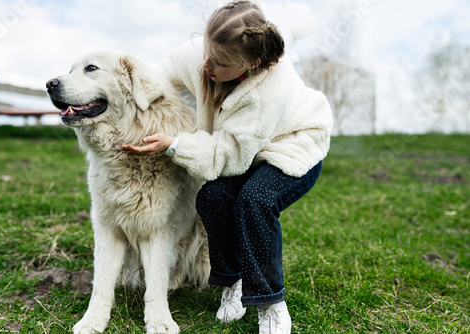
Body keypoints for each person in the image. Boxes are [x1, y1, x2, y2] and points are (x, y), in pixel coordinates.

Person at [121, 1, 333, 333]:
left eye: (220, 64)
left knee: (255, 200)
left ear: (253, 64)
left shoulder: (268, 93)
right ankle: (232, 280)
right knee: (212, 198)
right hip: (247, 147)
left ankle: (269, 301)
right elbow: (159, 74)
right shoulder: (205, 56)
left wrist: (174, 144)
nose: (207, 65)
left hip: (293, 145)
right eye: (207, 52)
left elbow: (227, 155)